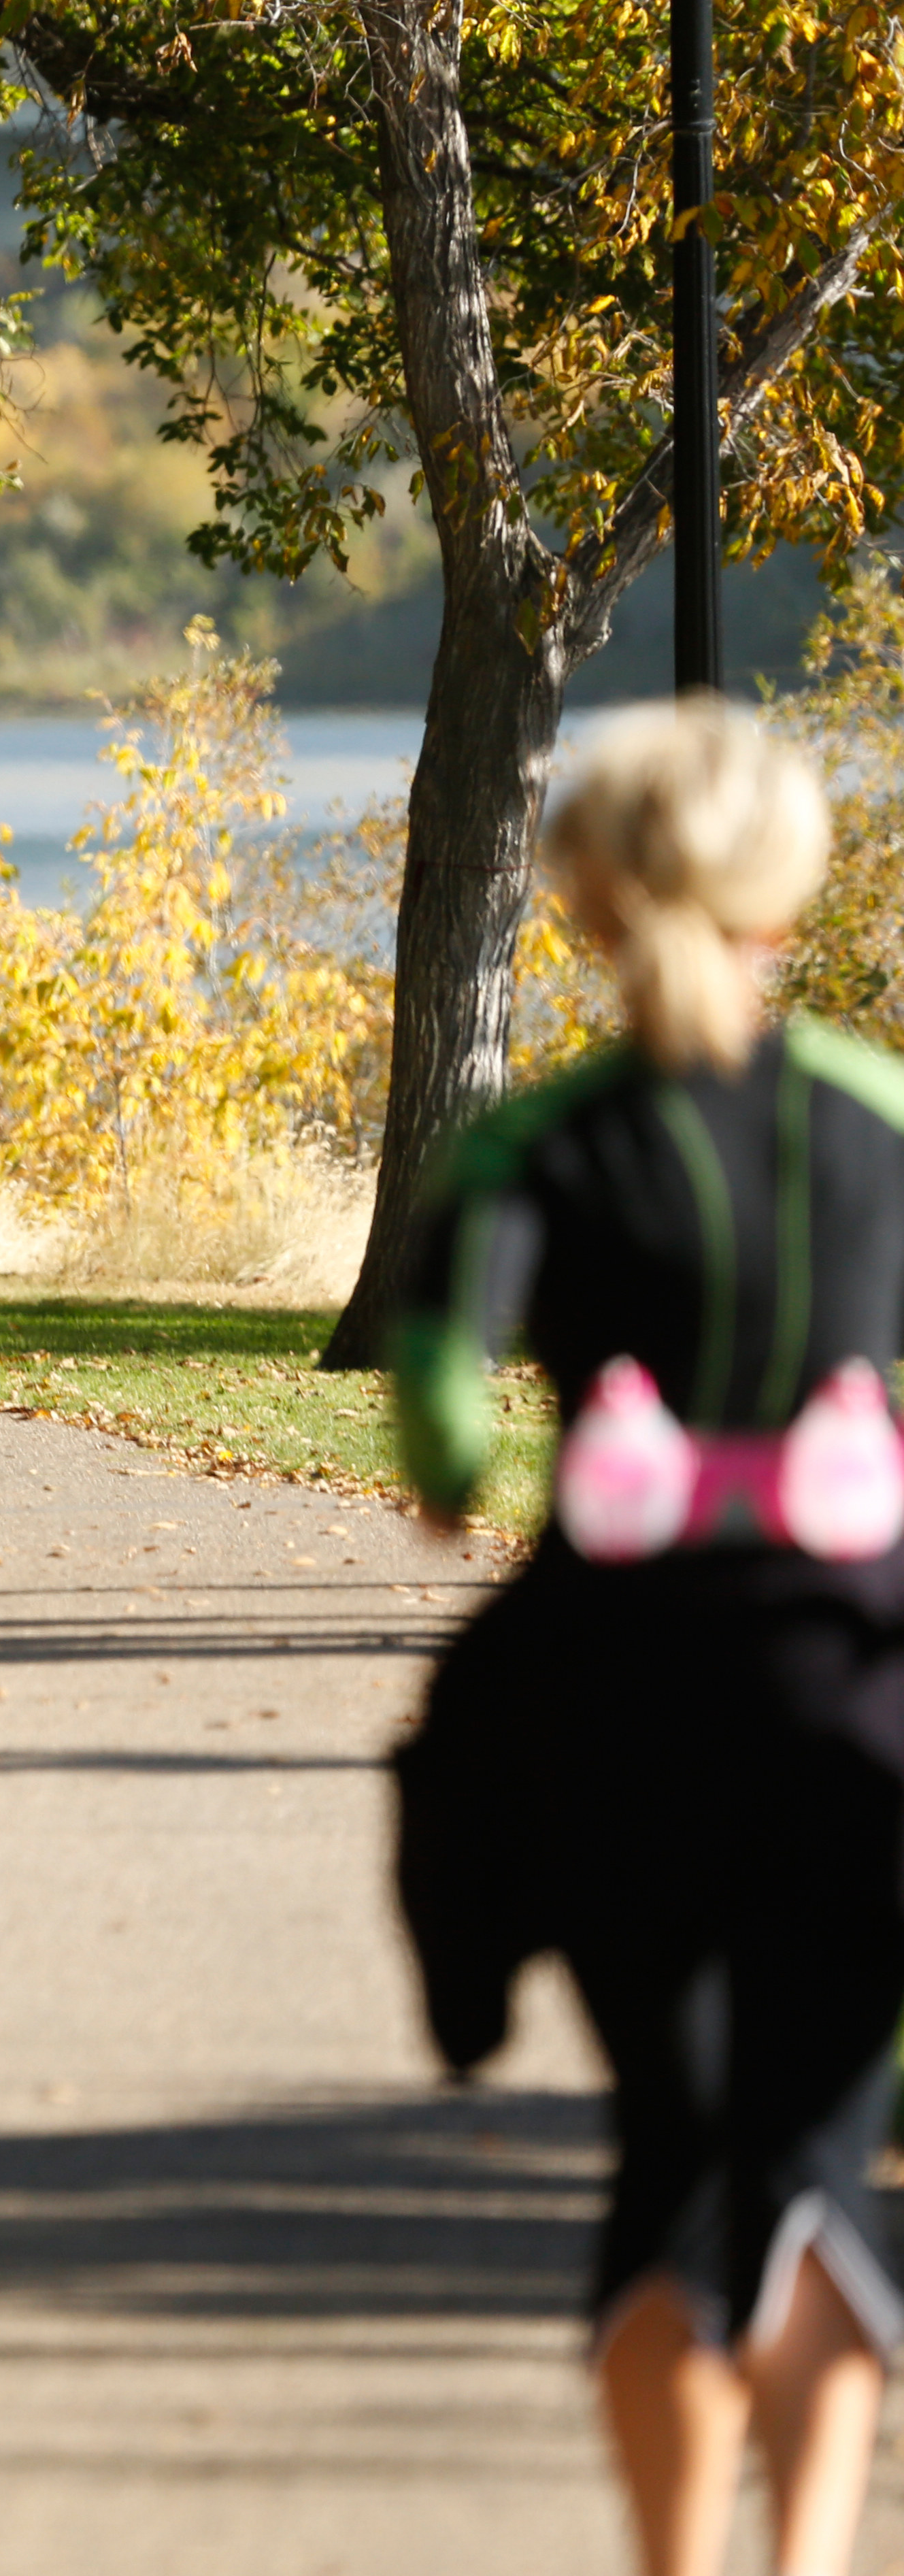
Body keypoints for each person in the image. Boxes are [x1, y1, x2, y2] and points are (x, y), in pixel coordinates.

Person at [388, 701, 904, 2576]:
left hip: (619, 1690)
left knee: (676, 2140)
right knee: (826, 2147)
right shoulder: (876, 1111)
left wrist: (456, 1473)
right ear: (789, 881)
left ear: (586, 893)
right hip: (861, 1675)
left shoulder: (539, 1138)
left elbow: (445, 1394)